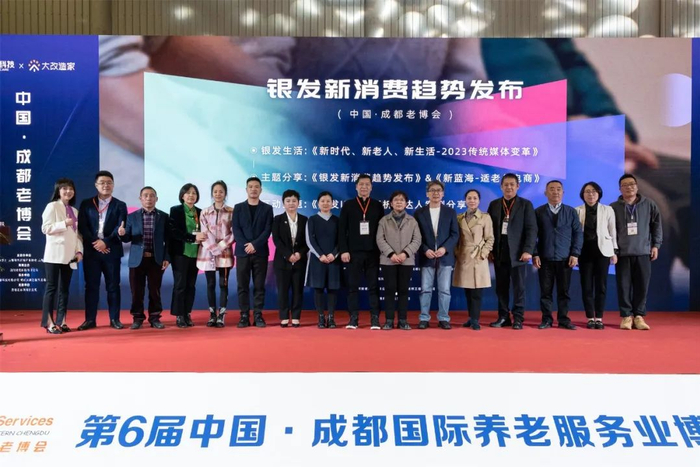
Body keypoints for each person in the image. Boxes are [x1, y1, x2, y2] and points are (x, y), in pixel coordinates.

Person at [610, 174, 662, 330]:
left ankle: (639, 316)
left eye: (632, 184)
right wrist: (612, 250)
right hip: (622, 253)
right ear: (620, 189)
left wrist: (656, 245)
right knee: (623, 286)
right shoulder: (613, 207)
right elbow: (610, 231)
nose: (629, 187)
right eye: (625, 185)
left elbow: (656, 226)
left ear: (637, 186)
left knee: (642, 285)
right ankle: (626, 316)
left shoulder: (649, 204)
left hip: (643, 251)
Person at [77, 170, 128, 330]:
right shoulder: (87, 204)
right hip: (92, 252)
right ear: (96, 185)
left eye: (109, 182)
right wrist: (96, 243)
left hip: (111, 251)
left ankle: (114, 319)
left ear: (113, 185)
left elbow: (120, 227)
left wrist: (105, 242)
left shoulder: (120, 205)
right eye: (102, 182)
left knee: (113, 286)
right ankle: (90, 320)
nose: (106, 185)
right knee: (91, 286)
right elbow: (82, 226)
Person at [487, 173, 537, 330]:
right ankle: (503, 317)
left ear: (517, 186)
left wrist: (528, 250)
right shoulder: (494, 204)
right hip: (499, 253)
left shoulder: (525, 204)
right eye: (506, 185)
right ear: (501, 186)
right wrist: (489, 250)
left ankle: (518, 318)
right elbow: (488, 230)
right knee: (501, 288)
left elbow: (531, 229)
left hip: (518, 254)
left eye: (512, 184)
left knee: (518, 288)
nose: (509, 187)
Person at [533, 180, 582, 331]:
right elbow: (532, 235)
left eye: (558, 189)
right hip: (545, 258)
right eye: (552, 189)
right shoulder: (538, 212)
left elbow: (578, 234)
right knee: (545, 292)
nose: (555, 192)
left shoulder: (571, 212)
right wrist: (535, 253)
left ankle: (563, 319)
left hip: (565, 258)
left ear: (563, 192)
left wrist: (575, 253)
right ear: (545, 193)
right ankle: (546, 319)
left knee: (564, 292)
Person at [118, 186, 170, 329]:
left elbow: (168, 240)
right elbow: (127, 238)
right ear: (140, 199)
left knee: (155, 291)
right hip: (137, 260)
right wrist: (122, 234)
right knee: (136, 291)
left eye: (152, 195)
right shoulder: (131, 216)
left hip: (156, 259)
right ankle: (137, 318)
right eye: (145, 195)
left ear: (156, 199)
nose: (149, 198)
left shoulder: (163, 217)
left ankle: (155, 317)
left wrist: (167, 257)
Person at [338, 174, 385, 330]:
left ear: (371, 187)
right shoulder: (348, 205)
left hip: (373, 252)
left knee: (373, 286)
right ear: (356, 187)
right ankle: (353, 318)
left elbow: (382, 230)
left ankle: (375, 318)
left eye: (367, 184)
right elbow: (342, 230)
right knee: (353, 287)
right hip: (353, 253)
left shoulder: (377, 205)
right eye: (361, 184)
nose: (364, 187)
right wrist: (344, 250)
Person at [414, 180, 459, 330]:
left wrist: (445, 248)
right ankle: (424, 318)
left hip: (445, 257)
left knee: (444, 290)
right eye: (432, 190)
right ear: (427, 194)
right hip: (427, 256)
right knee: (425, 289)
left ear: (443, 193)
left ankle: (444, 318)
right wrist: (425, 249)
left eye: (438, 190)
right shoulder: (419, 213)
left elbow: (455, 234)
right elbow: (416, 236)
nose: (435, 193)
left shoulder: (450, 212)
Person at [40, 178, 84, 334]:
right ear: (58, 191)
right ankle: (48, 322)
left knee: (64, 290)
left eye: (71, 189)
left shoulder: (74, 210)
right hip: (54, 254)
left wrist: (79, 251)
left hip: (70, 256)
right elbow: (45, 228)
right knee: (51, 288)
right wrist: (63, 223)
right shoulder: (52, 206)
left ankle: (62, 321)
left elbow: (76, 235)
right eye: (64, 188)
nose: (68, 191)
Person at [376, 191, 422, 330]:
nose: (399, 202)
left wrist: (405, 254)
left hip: (406, 261)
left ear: (406, 203)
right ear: (391, 203)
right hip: (388, 261)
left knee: (403, 291)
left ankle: (403, 320)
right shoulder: (384, 220)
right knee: (389, 290)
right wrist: (391, 254)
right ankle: (389, 320)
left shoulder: (412, 221)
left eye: (402, 200)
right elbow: (380, 239)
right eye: (396, 200)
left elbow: (417, 240)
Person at [575, 182, 618, 329]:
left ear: (599, 194)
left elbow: (613, 231)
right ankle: (589, 317)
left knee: (601, 286)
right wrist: (574, 253)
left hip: (603, 252)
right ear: (583, 194)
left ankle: (599, 317)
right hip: (584, 253)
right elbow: (575, 234)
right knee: (586, 286)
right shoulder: (577, 210)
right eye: (587, 191)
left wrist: (614, 251)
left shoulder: (608, 210)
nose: (591, 194)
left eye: (594, 191)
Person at [232, 177, 274, 328]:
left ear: (261, 190)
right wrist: (246, 245)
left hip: (260, 252)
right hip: (242, 252)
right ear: (246, 189)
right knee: (242, 285)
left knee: (259, 286)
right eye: (250, 186)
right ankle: (244, 315)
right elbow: (236, 229)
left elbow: (267, 230)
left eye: (256, 187)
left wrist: (254, 244)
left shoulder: (267, 208)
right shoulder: (238, 208)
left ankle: (258, 315)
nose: (253, 189)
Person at [452, 189, 494, 331]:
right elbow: (455, 237)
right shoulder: (459, 218)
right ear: (465, 200)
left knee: (477, 291)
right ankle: (471, 318)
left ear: (479, 200)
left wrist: (483, 254)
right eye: (469, 198)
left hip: (478, 257)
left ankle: (476, 319)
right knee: (468, 291)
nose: (472, 201)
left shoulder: (485, 217)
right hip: (464, 257)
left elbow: (490, 238)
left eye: (475, 198)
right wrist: (457, 252)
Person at [197, 181, 235, 328]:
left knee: (223, 284)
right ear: (212, 194)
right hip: (208, 253)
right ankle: (212, 314)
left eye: (221, 191)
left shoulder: (231, 211)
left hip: (225, 253)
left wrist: (221, 246)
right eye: (215, 191)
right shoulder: (205, 212)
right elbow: (204, 232)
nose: (218, 194)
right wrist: (214, 248)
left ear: (225, 194)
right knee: (210, 284)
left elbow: (234, 233)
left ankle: (222, 315)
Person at [169, 183, 205, 328]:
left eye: (194, 193)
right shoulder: (176, 210)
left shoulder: (201, 212)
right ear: (182, 195)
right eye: (188, 193)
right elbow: (174, 232)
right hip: (181, 253)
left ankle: (187, 313)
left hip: (196, 254)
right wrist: (192, 238)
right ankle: (179, 315)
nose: (191, 195)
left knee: (191, 285)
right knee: (180, 285)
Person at [272, 189, 309, 327]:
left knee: (298, 290)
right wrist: (288, 254)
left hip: (300, 261)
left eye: (294, 201)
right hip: (282, 261)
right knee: (283, 290)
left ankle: (296, 316)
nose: (291, 203)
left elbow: (308, 241)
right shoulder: (277, 219)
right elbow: (276, 240)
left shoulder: (305, 220)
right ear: (283, 203)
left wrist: (299, 254)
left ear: (298, 203)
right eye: (288, 201)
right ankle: (283, 316)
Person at [305, 191, 341, 329]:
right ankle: (321, 317)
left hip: (334, 259)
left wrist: (334, 254)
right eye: (322, 201)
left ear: (332, 203)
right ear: (318, 203)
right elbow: (310, 240)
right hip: (317, 259)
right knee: (318, 288)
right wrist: (320, 255)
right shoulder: (312, 219)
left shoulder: (337, 220)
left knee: (333, 289)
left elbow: (341, 240)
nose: (325, 203)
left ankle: (331, 317)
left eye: (328, 201)